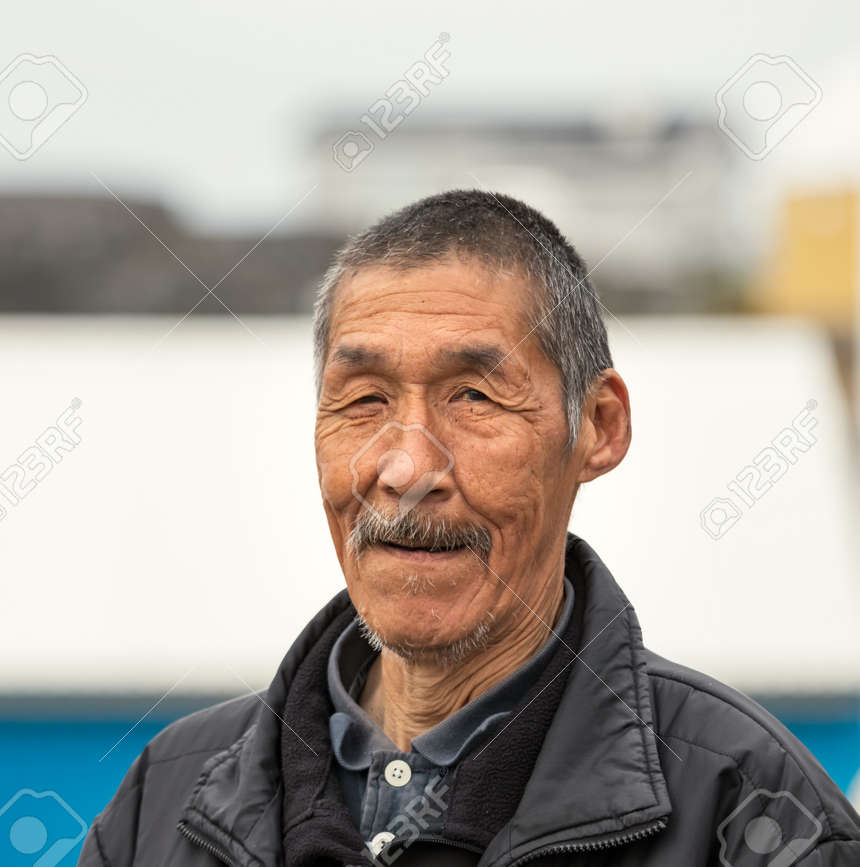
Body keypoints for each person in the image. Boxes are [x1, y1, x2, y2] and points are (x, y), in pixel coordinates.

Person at [80, 190, 860, 866]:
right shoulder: (165, 803)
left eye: (475, 397)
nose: (407, 467)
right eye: (364, 399)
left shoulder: (754, 811)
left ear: (598, 425)